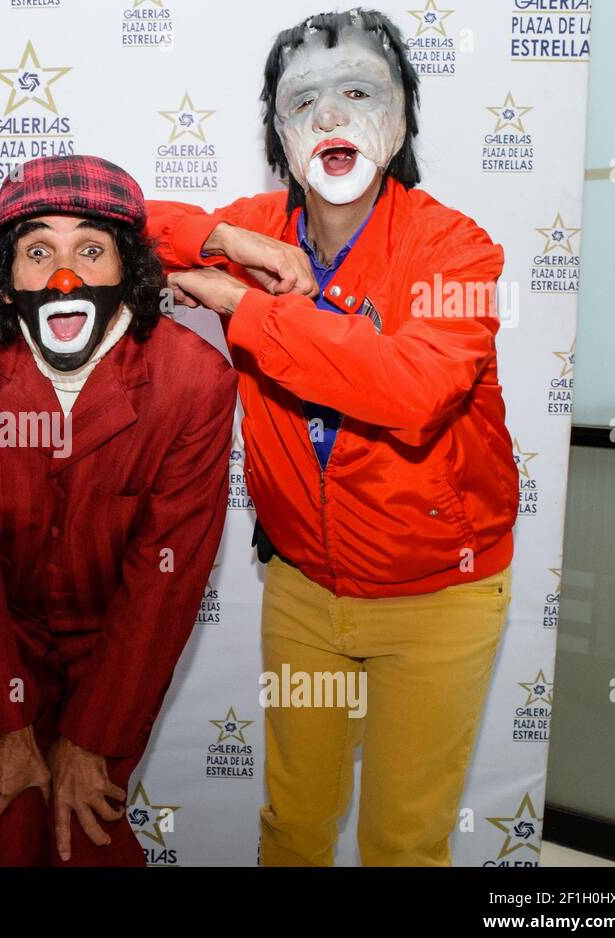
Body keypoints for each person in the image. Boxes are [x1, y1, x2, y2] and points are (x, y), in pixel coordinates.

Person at [146, 9, 517, 866]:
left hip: (438, 601)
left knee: (403, 843)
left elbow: (412, 391)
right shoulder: (255, 232)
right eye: (302, 100)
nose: (331, 116)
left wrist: (245, 302)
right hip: (305, 592)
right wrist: (222, 238)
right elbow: (103, 222)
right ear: (278, 131)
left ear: (401, 119)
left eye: (359, 91)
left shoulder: (457, 251)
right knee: (295, 825)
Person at [0, 155, 237, 866]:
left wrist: (93, 739)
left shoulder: (194, 381)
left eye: (91, 249)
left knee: (82, 832)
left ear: (130, 270)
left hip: (115, 648)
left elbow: (164, 577)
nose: (65, 276)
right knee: (6, 829)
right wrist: (1, 723)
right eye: (38, 251)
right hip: (5, 641)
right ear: (5, 279)